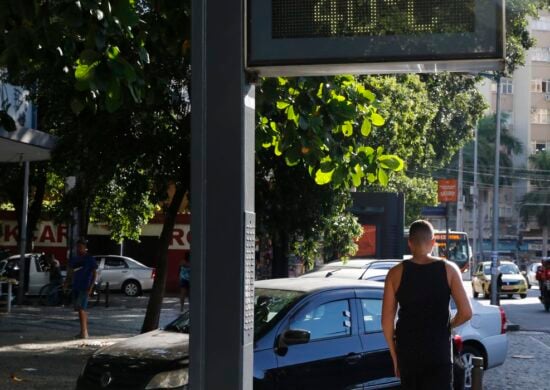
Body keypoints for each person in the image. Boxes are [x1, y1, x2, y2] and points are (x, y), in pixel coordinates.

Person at [382, 220, 472, 390]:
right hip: (439, 353)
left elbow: (386, 320)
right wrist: (448, 325)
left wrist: (395, 356)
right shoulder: (449, 269)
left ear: (410, 243)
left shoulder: (395, 273)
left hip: (408, 354)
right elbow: (466, 312)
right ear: (433, 243)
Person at [70, 238, 97, 339]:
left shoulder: (89, 259)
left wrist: (91, 286)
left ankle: (84, 333)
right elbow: (72, 271)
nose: (78, 249)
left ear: (85, 248)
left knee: (81, 308)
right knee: (79, 309)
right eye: (77, 247)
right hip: (76, 286)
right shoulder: (75, 259)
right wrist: (68, 282)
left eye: (80, 247)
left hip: (85, 286)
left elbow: (94, 273)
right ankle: (83, 331)